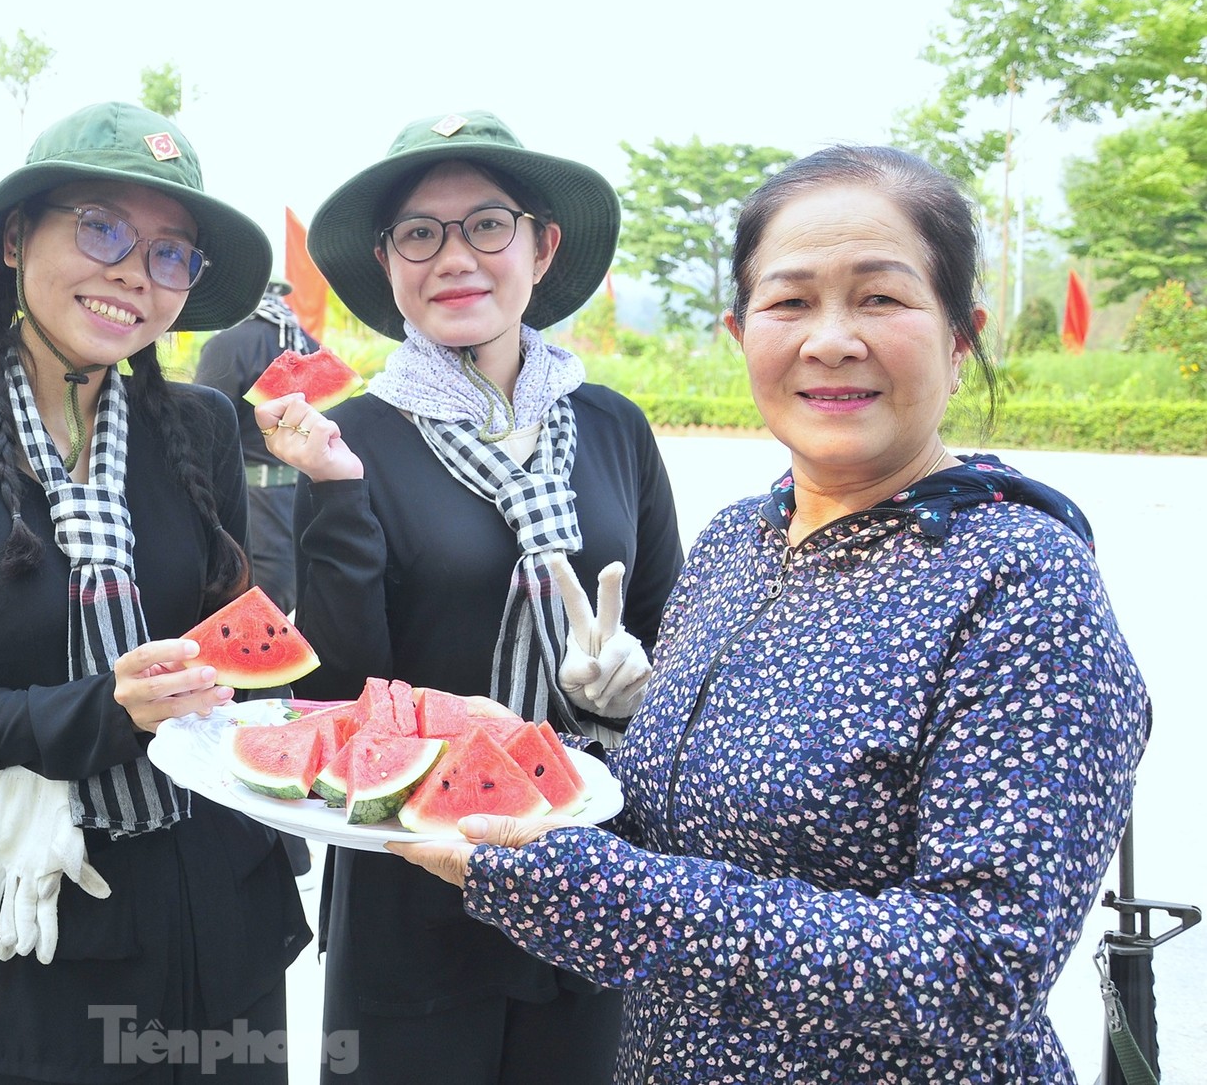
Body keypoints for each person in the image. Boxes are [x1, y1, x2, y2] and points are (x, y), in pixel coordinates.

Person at [392, 144, 1153, 1084]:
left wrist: (584, 889)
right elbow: (675, 817)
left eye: (880, 297)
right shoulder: (738, 541)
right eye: (790, 302)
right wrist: (541, 772)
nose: (830, 339)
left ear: (961, 337)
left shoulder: (1023, 587)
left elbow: (976, 970)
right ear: (740, 330)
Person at [0, 102, 310, 1083]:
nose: (132, 274)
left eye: (168, 253)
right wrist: (101, 709)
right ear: (17, 238)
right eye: (99, 228)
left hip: (229, 890)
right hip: (51, 915)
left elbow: (241, 653)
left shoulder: (197, 425)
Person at [255, 111, 684, 1084]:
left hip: (590, 862)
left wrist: (633, 683)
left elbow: (673, 628)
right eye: (420, 233)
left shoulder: (613, 427)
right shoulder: (352, 435)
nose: (454, 257)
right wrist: (334, 490)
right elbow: (341, 689)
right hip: (413, 879)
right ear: (387, 261)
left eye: (486, 225)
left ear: (543, 245)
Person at [193, 280, 319, 614]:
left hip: (250, 505)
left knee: (252, 613)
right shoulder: (307, 345)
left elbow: (201, 431)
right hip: (300, 500)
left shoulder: (228, 344)